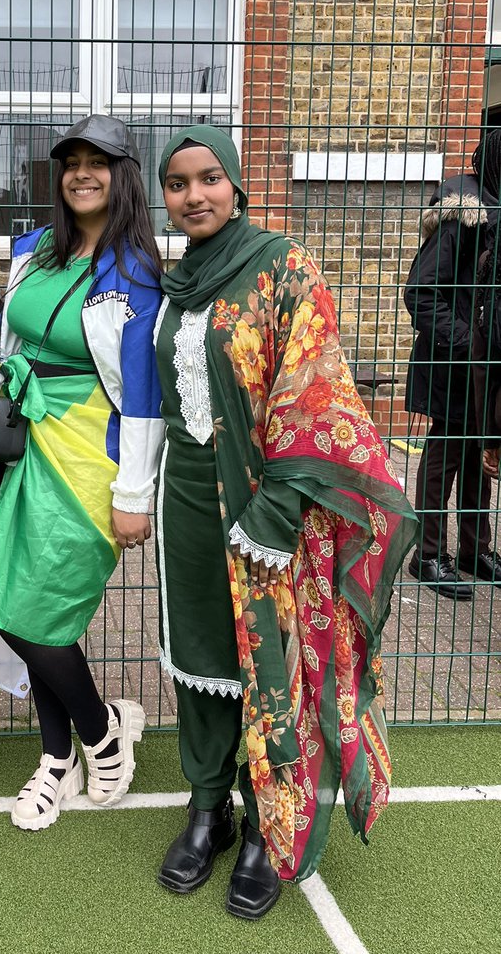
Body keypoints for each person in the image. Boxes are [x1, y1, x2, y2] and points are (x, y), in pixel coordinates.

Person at [153, 125, 417, 918]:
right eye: (176, 182)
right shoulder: (177, 282)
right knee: (199, 654)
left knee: (272, 663)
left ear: (235, 184)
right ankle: (209, 809)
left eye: (208, 178)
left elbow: (315, 392)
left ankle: (274, 823)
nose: (194, 195)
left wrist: (273, 515)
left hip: (268, 506)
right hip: (187, 498)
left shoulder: (282, 265)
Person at [0, 115, 164, 831]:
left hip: (91, 452)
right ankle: (61, 755)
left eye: (98, 162)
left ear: (123, 176)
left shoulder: (138, 270)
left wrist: (133, 494)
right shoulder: (32, 252)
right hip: (24, 439)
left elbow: (144, 392)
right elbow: (4, 345)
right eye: (71, 161)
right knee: (17, 601)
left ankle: (101, 733)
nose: (82, 173)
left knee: (41, 613)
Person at [404, 130, 501, 597]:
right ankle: (425, 555)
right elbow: (420, 292)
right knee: (445, 453)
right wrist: (470, 341)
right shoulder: (465, 213)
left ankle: (473, 550)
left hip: (483, 364)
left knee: (479, 452)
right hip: (454, 359)